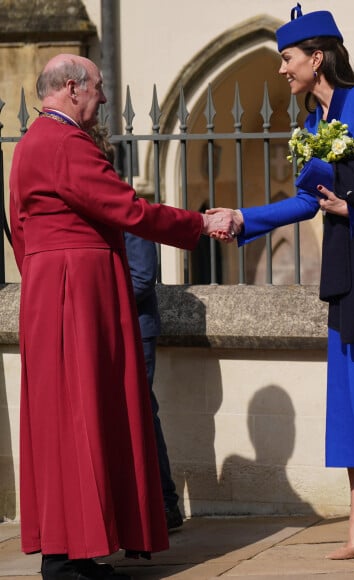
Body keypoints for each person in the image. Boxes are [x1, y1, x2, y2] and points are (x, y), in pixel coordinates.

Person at [208, 3, 354, 562]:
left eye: (287, 59)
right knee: (350, 398)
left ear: (317, 57)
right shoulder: (311, 125)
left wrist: (351, 200)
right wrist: (244, 218)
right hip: (343, 268)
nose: (282, 70)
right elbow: (302, 202)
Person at [9, 53, 235, 580]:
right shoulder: (64, 142)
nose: (104, 98)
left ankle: (70, 550)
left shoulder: (30, 144)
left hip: (52, 289)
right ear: (71, 88)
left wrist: (48, 283)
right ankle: (72, 556)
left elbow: (22, 234)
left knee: (64, 421)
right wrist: (199, 223)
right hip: (77, 292)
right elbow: (127, 209)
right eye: (99, 88)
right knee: (83, 415)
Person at [90, 124, 184, 530]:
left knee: (143, 410)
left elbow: (142, 279)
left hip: (136, 328)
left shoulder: (129, 205)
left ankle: (164, 504)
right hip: (109, 327)